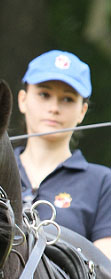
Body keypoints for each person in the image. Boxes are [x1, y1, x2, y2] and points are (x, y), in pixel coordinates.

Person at [15, 49, 111, 259]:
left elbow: (105, 273)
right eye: (44, 94)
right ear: (23, 100)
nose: (54, 107)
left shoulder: (103, 183)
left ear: (82, 111)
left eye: (67, 99)